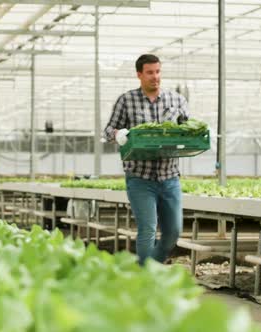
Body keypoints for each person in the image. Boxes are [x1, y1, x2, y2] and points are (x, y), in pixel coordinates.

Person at [103, 54, 189, 265]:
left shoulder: (177, 100)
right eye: (150, 72)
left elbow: (186, 128)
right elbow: (108, 130)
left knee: (173, 232)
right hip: (140, 178)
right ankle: (146, 277)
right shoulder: (126, 100)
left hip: (169, 177)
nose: (155, 77)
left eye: (158, 72)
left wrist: (197, 132)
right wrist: (118, 135)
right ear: (139, 74)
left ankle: (152, 265)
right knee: (147, 228)